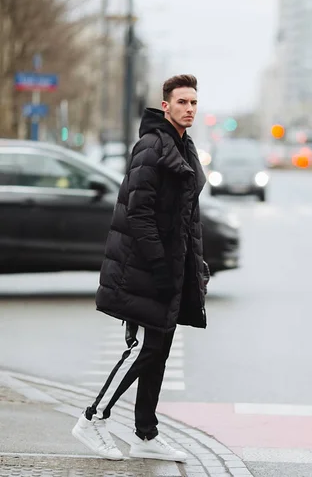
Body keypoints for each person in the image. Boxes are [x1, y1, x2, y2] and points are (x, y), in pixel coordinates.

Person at [72, 74, 208, 462]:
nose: (189, 109)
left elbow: (184, 218)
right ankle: (92, 418)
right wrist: (162, 267)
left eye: (194, 103)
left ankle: (145, 435)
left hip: (169, 266)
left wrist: (194, 264)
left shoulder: (183, 146)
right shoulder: (152, 146)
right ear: (165, 106)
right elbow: (139, 214)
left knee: (159, 349)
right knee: (143, 349)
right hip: (147, 267)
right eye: (182, 102)